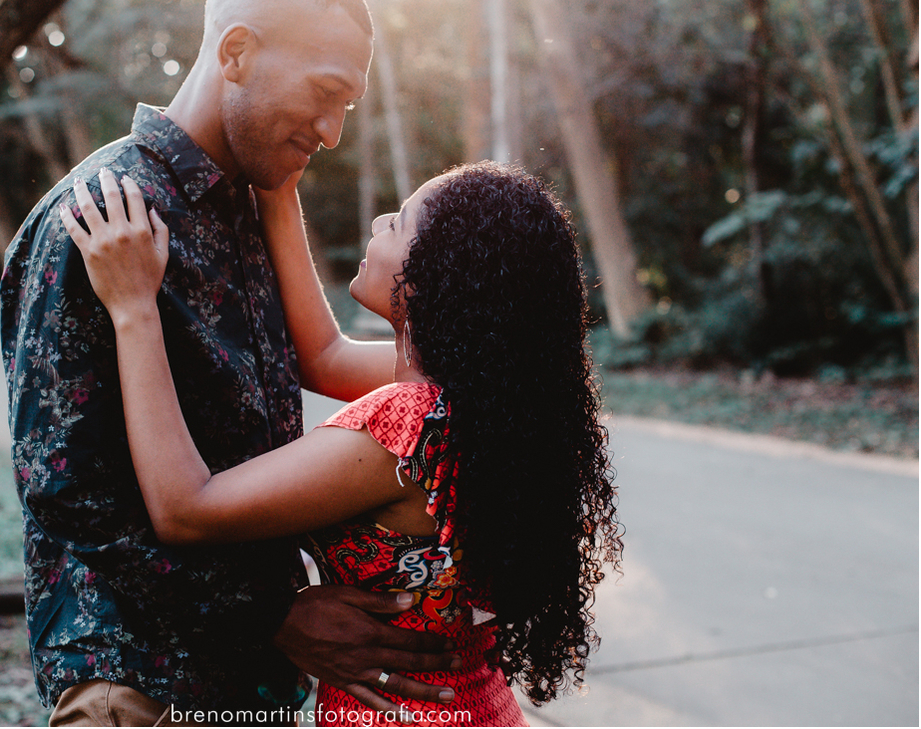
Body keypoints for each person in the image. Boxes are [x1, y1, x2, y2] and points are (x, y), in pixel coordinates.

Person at [0, 0, 455, 727]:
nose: (332, 132)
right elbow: (69, 493)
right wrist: (271, 613)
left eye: (347, 107)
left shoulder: (254, 206)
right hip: (142, 685)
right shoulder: (106, 214)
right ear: (236, 52)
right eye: (326, 93)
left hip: (252, 685)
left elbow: (311, 371)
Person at [61, 161, 624, 726]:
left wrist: (133, 307)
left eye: (398, 222)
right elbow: (324, 357)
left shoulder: (406, 423)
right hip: (478, 705)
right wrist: (278, 190)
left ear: (437, 275)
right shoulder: (485, 395)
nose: (379, 222)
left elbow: (186, 509)